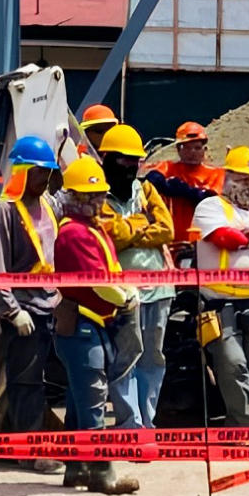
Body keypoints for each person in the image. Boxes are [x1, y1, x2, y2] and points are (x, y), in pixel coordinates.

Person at [52, 157, 142, 495]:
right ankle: (102, 472)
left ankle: (76, 468)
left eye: (100, 195)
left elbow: (108, 273)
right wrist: (125, 299)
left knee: (78, 402)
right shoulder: (75, 233)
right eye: (92, 196)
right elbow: (96, 281)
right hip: (83, 324)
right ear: (75, 197)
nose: (99, 201)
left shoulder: (89, 228)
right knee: (92, 400)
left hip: (91, 323)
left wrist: (123, 293)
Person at [194, 146, 249, 426]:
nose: (247, 185)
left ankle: (238, 427)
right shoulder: (210, 206)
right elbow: (225, 237)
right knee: (234, 366)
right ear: (228, 177)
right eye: (242, 178)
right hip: (220, 304)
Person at [0, 136, 62, 453]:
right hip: (25, 311)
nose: (45, 179)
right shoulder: (3, 212)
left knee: (54, 382)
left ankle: (56, 442)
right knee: (25, 382)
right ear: (23, 171)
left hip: (53, 305)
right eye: (39, 172)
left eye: (48, 172)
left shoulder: (49, 204)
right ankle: (29, 451)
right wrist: (12, 310)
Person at [96, 124, 174, 429]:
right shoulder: (97, 195)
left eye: (135, 160)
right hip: (123, 292)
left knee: (153, 358)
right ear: (108, 158)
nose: (131, 166)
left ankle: (147, 423)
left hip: (159, 289)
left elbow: (167, 229)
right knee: (125, 357)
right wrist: (143, 226)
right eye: (124, 159)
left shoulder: (148, 190)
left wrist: (130, 229)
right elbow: (109, 234)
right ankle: (130, 425)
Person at [146, 122, 225, 244]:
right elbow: (151, 180)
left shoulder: (217, 173)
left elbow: (210, 200)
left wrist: (184, 190)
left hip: (204, 241)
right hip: (172, 240)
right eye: (187, 148)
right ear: (178, 149)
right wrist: (166, 186)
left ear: (204, 149)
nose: (192, 152)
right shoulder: (168, 168)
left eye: (197, 148)